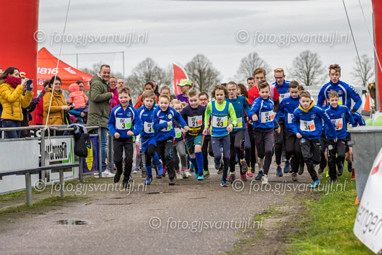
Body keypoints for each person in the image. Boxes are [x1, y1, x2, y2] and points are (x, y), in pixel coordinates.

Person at [292, 90, 337, 189]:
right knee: (307, 157)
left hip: (316, 137)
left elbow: (328, 122)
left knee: (317, 159)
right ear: (300, 101)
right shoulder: (297, 111)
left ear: (310, 101)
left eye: (307, 101)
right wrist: (296, 132)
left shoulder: (317, 110)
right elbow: (294, 123)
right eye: (303, 101)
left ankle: (313, 164)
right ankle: (315, 180)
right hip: (304, 137)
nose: (305, 104)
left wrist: (334, 135)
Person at [108, 87, 143, 189]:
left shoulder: (133, 111)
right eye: (121, 97)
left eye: (125, 97)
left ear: (129, 97)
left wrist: (134, 132)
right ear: (118, 98)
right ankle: (119, 171)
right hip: (118, 139)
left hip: (128, 139)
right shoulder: (115, 110)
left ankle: (126, 179)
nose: (123, 99)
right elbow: (110, 123)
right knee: (117, 159)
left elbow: (139, 125)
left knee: (129, 159)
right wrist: (114, 133)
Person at [203, 85, 237, 187]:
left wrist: (231, 125)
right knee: (217, 155)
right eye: (217, 95)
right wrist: (206, 126)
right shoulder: (210, 105)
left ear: (225, 95)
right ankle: (217, 161)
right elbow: (206, 115)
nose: (219, 97)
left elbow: (234, 119)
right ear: (214, 95)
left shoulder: (229, 105)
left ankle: (224, 179)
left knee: (226, 157)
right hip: (214, 135)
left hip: (225, 134)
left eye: (221, 95)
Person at [248, 81, 279, 185]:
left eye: (267, 92)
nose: (265, 94)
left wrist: (277, 125)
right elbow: (250, 111)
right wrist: (253, 116)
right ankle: (261, 160)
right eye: (263, 92)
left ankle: (265, 175)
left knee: (269, 151)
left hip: (269, 130)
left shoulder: (271, 102)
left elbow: (271, 115)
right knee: (261, 153)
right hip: (258, 131)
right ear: (259, 92)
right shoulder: (257, 102)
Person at [153, 95, 189, 185]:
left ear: (169, 104)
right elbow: (154, 126)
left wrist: (184, 125)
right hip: (158, 139)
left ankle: (171, 177)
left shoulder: (172, 111)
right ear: (158, 103)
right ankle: (160, 165)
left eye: (165, 103)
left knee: (168, 155)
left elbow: (179, 117)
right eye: (161, 103)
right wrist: (165, 124)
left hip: (169, 137)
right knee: (156, 156)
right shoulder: (155, 112)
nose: (163, 105)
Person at [87, 64, 115, 177]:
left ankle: (99, 169)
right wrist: (109, 94)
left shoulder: (102, 83)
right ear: (100, 72)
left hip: (101, 118)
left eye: (108, 73)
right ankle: (102, 169)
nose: (107, 74)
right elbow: (94, 97)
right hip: (98, 119)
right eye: (105, 72)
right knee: (102, 145)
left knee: (101, 144)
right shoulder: (97, 83)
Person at [325, 90, 354, 182]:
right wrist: (333, 125)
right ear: (328, 101)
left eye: (335, 100)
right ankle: (332, 177)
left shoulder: (343, 108)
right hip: (330, 138)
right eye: (332, 100)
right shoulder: (326, 111)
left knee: (341, 155)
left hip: (341, 136)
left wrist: (351, 124)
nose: (334, 102)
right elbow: (325, 126)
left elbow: (350, 117)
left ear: (338, 100)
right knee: (330, 159)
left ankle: (340, 164)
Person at [275, 81, 301, 181]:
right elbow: (280, 112)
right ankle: (287, 160)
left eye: (296, 92)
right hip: (289, 129)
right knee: (289, 150)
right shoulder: (285, 101)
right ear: (289, 91)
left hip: (299, 131)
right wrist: (277, 121)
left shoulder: (301, 100)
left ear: (299, 90)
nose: (294, 94)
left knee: (297, 151)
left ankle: (294, 172)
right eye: (292, 92)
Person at [137, 90, 165, 185]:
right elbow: (137, 124)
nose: (149, 103)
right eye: (147, 101)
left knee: (151, 150)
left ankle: (158, 164)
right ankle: (149, 177)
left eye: (151, 101)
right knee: (147, 159)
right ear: (143, 101)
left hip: (153, 136)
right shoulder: (140, 111)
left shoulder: (157, 110)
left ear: (154, 101)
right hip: (144, 137)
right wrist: (137, 138)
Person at [226, 81, 250, 182]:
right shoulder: (225, 101)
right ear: (227, 91)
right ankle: (232, 173)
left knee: (238, 146)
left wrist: (250, 115)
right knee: (231, 154)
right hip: (229, 129)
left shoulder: (242, 99)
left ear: (237, 90)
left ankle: (242, 163)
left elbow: (247, 108)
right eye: (229, 90)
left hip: (240, 128)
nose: (231, 91)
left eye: (233, 89)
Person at [0, 67, 33, 138]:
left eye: (19, 75)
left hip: (18, 119)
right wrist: (21, 86)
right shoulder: (3, 86)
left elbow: (24, 104)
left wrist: (29, 92)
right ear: (9, 74)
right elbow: (11, 98)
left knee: (17, 143)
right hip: (9, 119)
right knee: (14, 143)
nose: (18, 77)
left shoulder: (16, 88)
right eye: (16, 74)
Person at [181, 90, 206, 180]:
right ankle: (196, 167)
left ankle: (200, 172)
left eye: (195, 100)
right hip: (189, 136)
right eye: (191, 101)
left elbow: (208, 117)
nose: (194, 103)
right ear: (188, 100)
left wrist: (206, 127)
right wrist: (182, 126)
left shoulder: (203, 109)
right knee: (192, 156)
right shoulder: (186, 110)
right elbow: (178, 118)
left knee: (198, 149)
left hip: (199, 133)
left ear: (198, 100)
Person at [273, 68, 291, 176]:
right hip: (278, 118)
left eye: (280, 77)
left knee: (288, 142)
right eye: (276, 77)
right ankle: (278, 165)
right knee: (278, 142)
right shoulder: (272, 87)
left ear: (284, 76)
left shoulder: (289, 86)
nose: (278, 79)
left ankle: (287, 160)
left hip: (289, 117)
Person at [173, 100, 190, 179]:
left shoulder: (182, 117)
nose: (178, 111)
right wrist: (180, 127)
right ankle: (177, 171)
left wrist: (184, 130)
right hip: (171, 141)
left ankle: (185, 169)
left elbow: (185, 126)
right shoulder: (169, 117)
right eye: (176, 109)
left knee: (183, 154)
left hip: (180, 140)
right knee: (174, 158)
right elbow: (174, 122)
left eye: (179, 109)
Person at [199, 92, 214, 176]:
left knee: (212, 152)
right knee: (203, 153)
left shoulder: (212, 108)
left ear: (208, 100)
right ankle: (205, 170)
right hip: (202, 134)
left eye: (205, 99)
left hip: (212, 133)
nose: (203, 101)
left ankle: (219, 163)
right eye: (201, 99)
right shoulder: (198, 109)